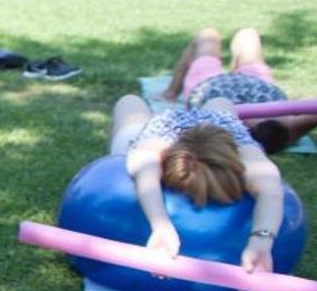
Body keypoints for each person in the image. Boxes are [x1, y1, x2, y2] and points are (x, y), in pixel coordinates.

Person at [108, 91, 284, 269]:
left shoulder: (248, 155)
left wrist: (261, 241)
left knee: (220, 100)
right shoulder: (153, 148)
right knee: (129, 101)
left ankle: (211, 104)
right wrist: (161, 225)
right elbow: (146, 181)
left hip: (217, 120)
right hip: (160, 131)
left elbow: (272, 192)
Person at [157, 26, 317, 154]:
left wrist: (172, 92)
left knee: (212, 36)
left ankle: (171, 92)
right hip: (254, 91)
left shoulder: (216, 127)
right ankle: (171, 92)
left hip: (215, 88)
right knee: (242, 35)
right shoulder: (283, 128)